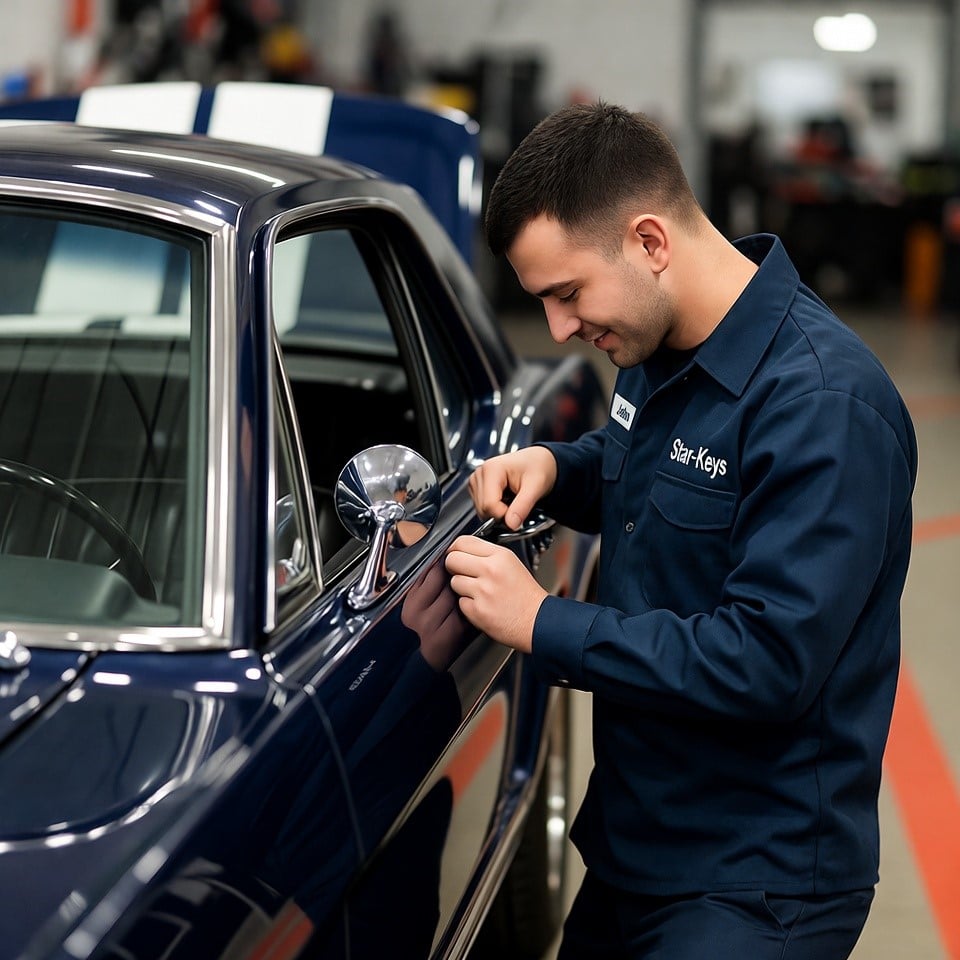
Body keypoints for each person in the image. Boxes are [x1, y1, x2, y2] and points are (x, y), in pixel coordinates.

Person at [444, 102, 917, 959]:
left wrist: (542, 622)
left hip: (753, 887)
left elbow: (765, 662)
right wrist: (563, 469)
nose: (557, 331)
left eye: (566, 294)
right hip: (640, 849)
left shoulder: (823, 406)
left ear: (650, 242)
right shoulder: (663, 342)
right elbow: (661, 468)